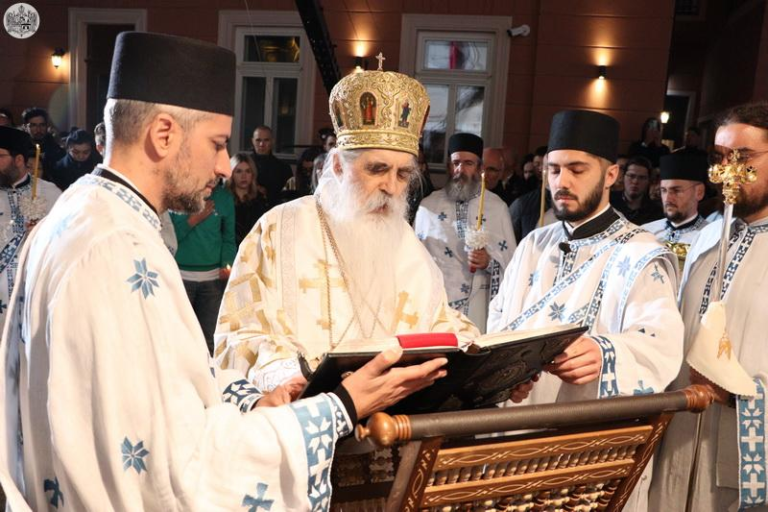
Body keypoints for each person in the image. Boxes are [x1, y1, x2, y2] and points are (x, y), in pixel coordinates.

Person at [0, 32, 449, 511]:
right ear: (164, 134)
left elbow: (154, 399)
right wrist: (339, 406)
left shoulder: (81, 213)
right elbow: (175, 465)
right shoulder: (118, 248)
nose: (223, 166)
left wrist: (253, 401)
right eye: (217, 144)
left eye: (403, 174)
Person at [215, 65, 480, 392]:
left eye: (402, 174)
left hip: (393, 416)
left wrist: (481, 362)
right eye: (377, 169)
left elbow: (439, 322)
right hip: (308, 411)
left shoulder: (404, 241)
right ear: (339, 165)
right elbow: (240, 334)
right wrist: (291, 378)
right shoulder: (278, 230)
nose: (391, 187)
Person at [488, 110, 684, 512]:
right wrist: (505, 374)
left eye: (577, 170)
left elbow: (661, 344)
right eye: (554, 170)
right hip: (519, 434)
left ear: (611, 175)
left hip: (590, 451)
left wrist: (605, 352)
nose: (562, 182)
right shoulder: (533, 245)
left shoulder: (640, 254)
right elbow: (499, 322)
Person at [651, 101, 768, 512]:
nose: (728, 172)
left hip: (742, 444)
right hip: (680, 430)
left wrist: (737, 393)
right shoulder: (706, 238)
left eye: (744, 157)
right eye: (720, 157)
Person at [414, 133, 516, 332]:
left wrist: (490, 262)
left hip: (478, 304)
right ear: (449, 167)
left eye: (468, 163)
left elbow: (512, 265)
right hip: (436, 305)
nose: (461, 169)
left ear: (479, 168)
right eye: (456, 163)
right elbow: (415, 259)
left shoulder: (496, 207)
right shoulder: (428, 206)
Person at [0, 126, 60, 329]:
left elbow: (66, 241)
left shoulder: (50, 193)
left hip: (33, 294)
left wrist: (43, 233)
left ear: (18, 160)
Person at [171, 178, 236, 353]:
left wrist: (227, 263)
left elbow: (229, 238)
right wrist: (193, 220)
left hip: (212, 281)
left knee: (210, 340)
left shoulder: (224, 198)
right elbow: (167, 238)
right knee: (178, 341)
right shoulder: (176, 193)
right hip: (179, 278)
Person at [642, 153, 709, 247]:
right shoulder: (645, 233)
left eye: (676, 191)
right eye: (664, 190)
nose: (667, 199)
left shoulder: (711, 238)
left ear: (699, 192)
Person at [610, 155, 664, 225]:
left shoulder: (656, 212)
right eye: (631, 176)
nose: (635, 181)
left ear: (648, 181)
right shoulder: (608, 201)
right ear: (624, 177)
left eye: (642, 178)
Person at [228, 151, 267, 244]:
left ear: (252, 174)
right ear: (232, 174)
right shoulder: (225, 199)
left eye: (248, 171)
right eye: (239, 171)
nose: (244, 176)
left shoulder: (259, 199)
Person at [251, 125, 292, 206]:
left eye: (266, 140)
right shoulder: (243, 165)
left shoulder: (284, 168)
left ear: (272, 141)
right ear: (252, 141)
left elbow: (290, 196)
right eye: (258, 140)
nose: (262, 144)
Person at [21, 107, 65, 178]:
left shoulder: (57, 150)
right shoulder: (19, 150)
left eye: (42, 125)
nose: (38, 129)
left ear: (47, 126)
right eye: (33, 125)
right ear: (25, 127)